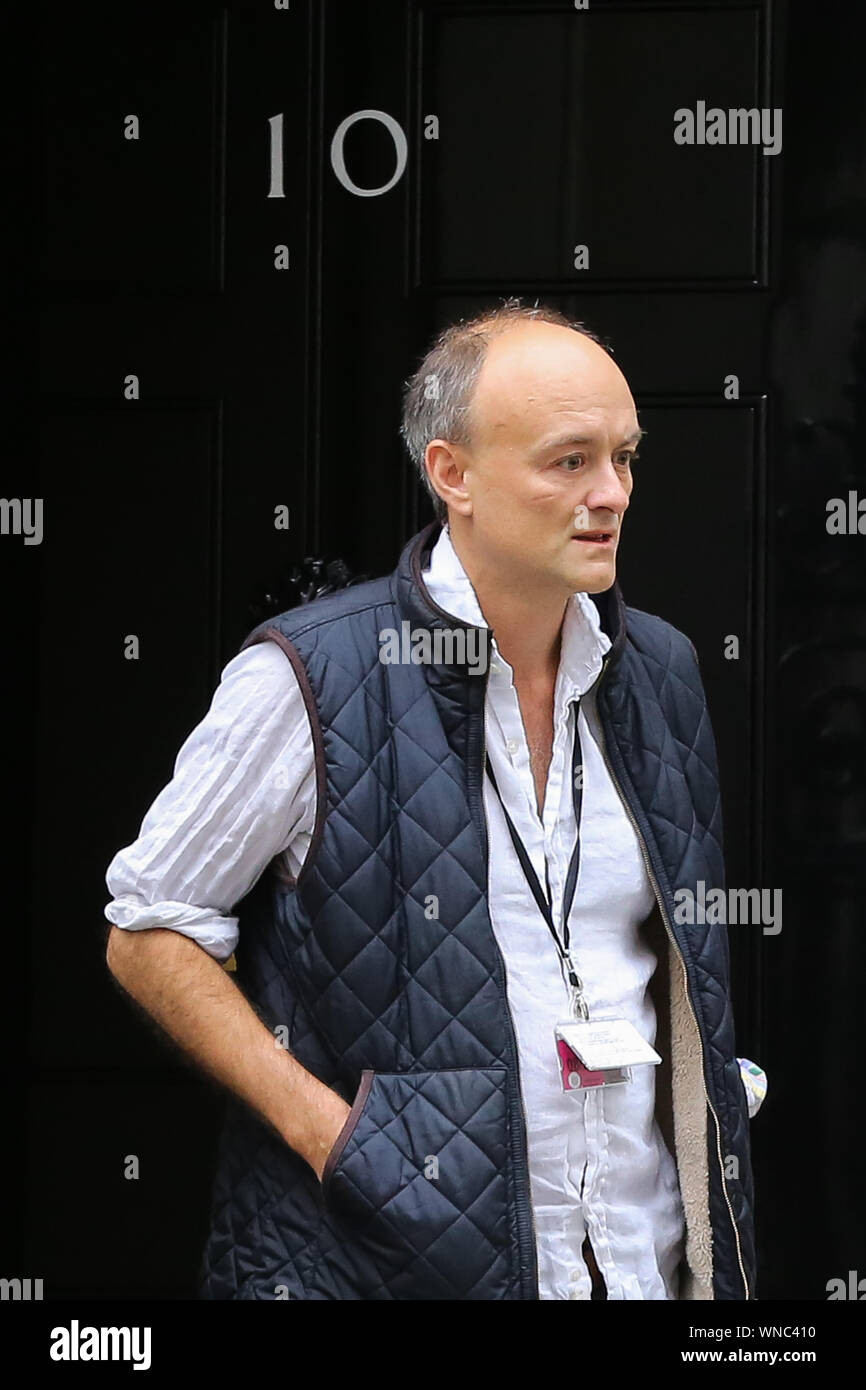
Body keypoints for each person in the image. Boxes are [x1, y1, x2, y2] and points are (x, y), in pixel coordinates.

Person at [104, 300, 760, 1300]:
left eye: (623, 458)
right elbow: (149, 926)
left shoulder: (658, 668)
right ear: (449, 473)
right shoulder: (313, 673)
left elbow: (674, 971)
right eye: (567, 460)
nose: (610, 494)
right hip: (384, 1267)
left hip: (641, 1264)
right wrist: (332, 1137)